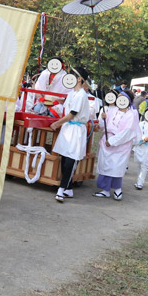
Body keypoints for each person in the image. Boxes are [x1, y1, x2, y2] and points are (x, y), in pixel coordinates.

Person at [50, 67, 92, 202]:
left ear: (79, 79)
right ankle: (68, 189)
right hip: (68, 129)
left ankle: (61, 189)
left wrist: (57, 123)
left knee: (70, 161)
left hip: (76, 130)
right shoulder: (71, 93)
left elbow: (72, 114)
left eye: (73, 75)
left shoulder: (82, 95)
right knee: (64, 158)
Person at [94, 89, 141, 201]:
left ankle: (117, 189)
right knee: (105, 166)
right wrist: (103, 118)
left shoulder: (131, 115)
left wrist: (113, 141)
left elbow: (128, 132)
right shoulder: (112, 110)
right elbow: (102, 124)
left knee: (116, 167)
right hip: (106, 141)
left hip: (121, 144)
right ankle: (105, 190)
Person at [133, 108, 148, 190]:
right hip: (140, 146)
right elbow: (136, 134)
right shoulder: (140, 124)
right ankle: (138, 180)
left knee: (144, 164)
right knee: (139, 164)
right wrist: (143, 138)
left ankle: (140, 182)